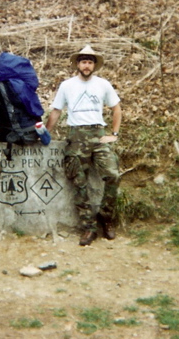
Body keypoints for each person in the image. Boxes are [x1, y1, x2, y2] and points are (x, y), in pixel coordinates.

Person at [45, 45, 122, 246]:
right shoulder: (67, 85)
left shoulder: (103, 84)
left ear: (94, 65)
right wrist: (46, 134)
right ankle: (88, 227)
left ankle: (106, 218)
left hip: (97, 134)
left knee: (112, 174)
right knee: (79, 181)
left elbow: (116, 108)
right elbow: (56, 111)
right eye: (83, 62)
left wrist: (113, 134)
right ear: (78, 64)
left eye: (90, 62)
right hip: (76, 135)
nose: (86, 66)